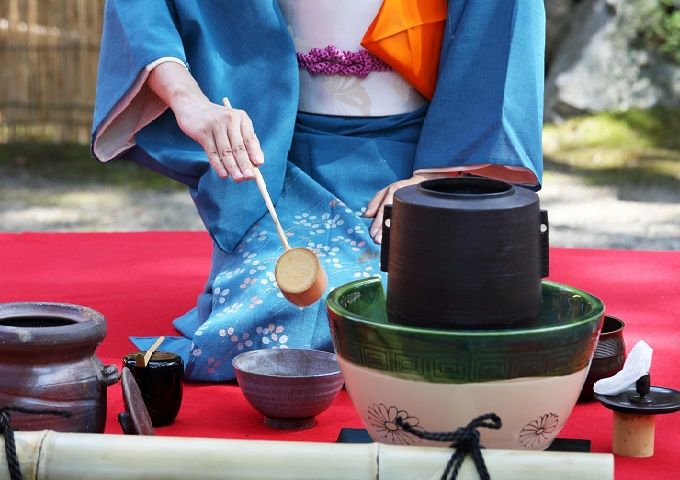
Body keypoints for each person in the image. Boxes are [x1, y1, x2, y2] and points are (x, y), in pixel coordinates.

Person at [92, 0, 545, 381]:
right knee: (277, 310)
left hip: (421, 159)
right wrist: (189, 99)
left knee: (421, 306)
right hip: (280, 149)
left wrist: (438, 181)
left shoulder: (431, 172)